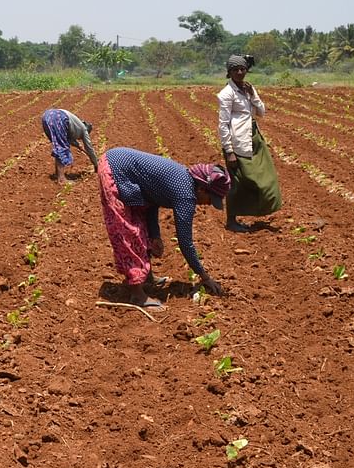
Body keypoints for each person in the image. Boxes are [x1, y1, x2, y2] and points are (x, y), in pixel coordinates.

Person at [96, 147, 231, 308]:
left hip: (121, 166)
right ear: (202, 188)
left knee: (141, 225)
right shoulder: (186, 194)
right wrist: (204, 276)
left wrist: (155, 235)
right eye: (210, 198)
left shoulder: (183, 179)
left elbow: (152, 202)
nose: (208, 204)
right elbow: (185, 241)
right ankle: (137, 295)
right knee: (128, 231)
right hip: (116, 169)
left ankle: (146, 278)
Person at [217, 54, 283, 232]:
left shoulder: (248, 88)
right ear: (229, 72)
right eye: (235, 69)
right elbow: (223, 125)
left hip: (254, 138)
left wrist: (252, 94)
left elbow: (261, 112)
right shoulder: (226, 94)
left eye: (242, 69)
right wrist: (229, 150)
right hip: (237, 142)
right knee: (237, 183)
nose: (240, 72)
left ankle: (260, 209)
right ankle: (231, 221)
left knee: (266, 178)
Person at [41, 108, 97, 181]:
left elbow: (69, 139)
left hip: (47, 116)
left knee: (58, 146)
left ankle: (57, 173)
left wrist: (78, 145)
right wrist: (96, 164)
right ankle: (61, 179)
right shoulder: (84, 130)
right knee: (61, 147)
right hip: (59, 117)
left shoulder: (75, 125)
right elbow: (89, 148)